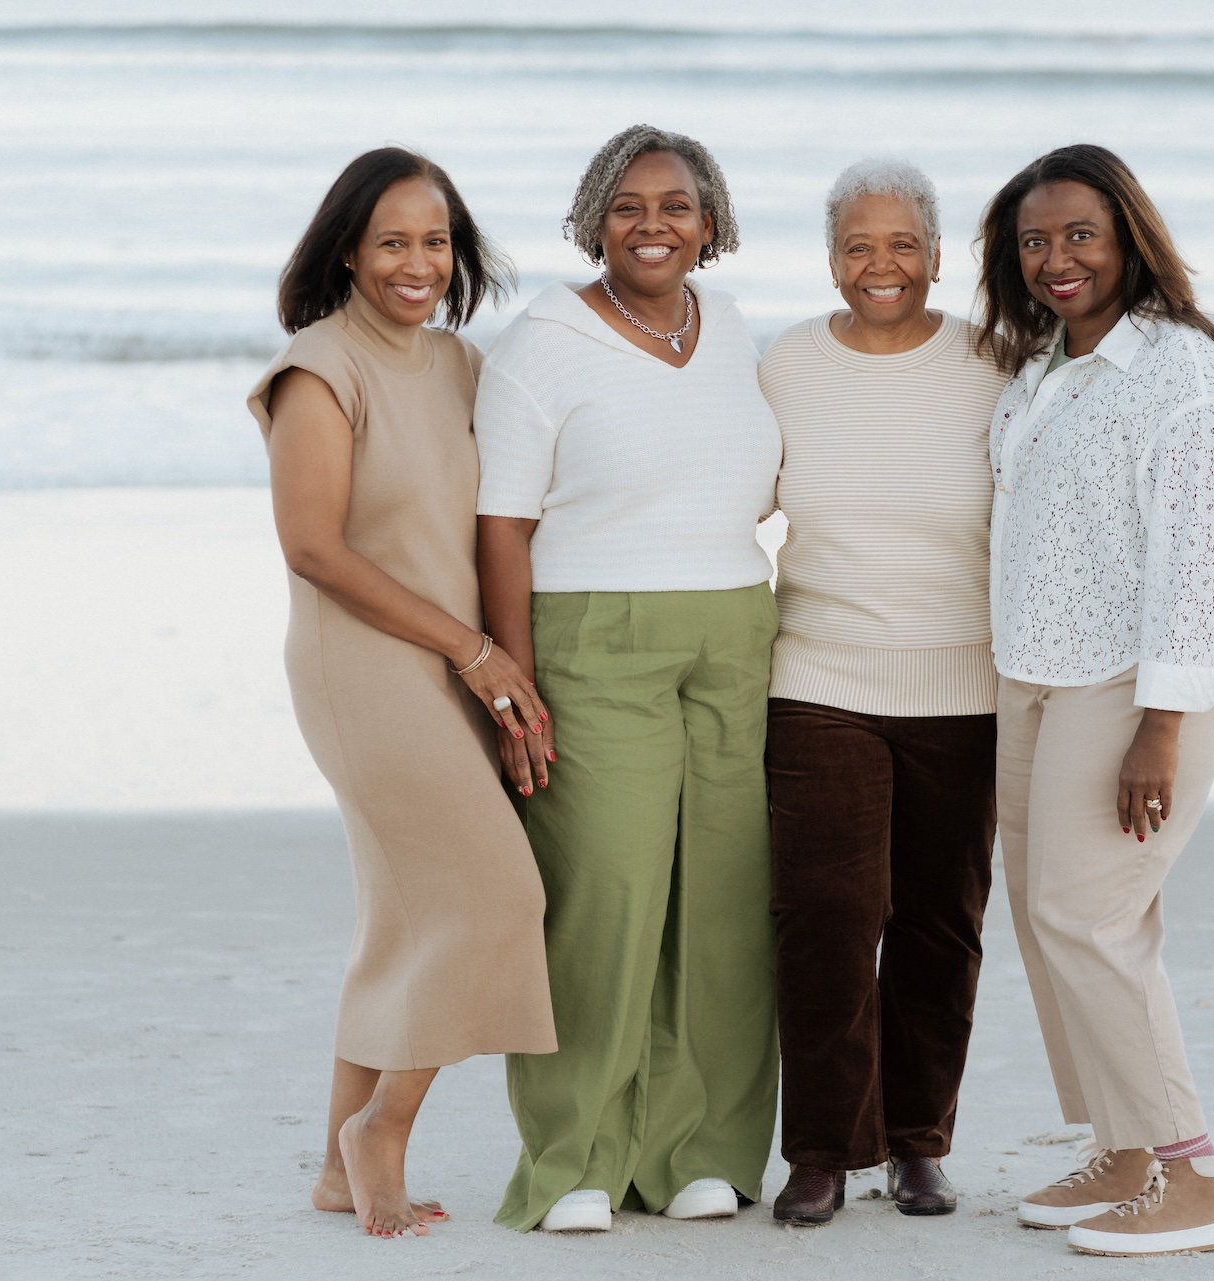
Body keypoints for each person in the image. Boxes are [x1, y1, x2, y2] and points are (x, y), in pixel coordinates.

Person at [474, 125, 783, 1234]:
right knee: (606, 897)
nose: (654, 224)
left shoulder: (732, 325)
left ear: (713, 223)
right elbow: (502, 528)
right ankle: (575, 1160)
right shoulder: (541, 345)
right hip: (590, 633)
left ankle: (700, 1150)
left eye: (678, 205)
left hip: (737, 628)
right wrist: (511, 683)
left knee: (722, 901)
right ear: (593, 216)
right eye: (629, 205)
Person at [245, 147, 556, 1240]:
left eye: (436, 241)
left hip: (453, 660)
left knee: (397, 919)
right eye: (393, 242)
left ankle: (339, 1170)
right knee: (496, 898)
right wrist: (475, 655)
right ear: (347, 250)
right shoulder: (318, 369)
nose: (418, 263)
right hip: (366, 668)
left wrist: (498, 664)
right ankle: (379, 1130)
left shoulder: (462, 366)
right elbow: (313, 548)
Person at [978, 144, 1214, 1257]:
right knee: (1048, 914)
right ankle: (1126, 1145)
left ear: (1128, 240)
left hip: (1143, 681)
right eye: (1035, 241)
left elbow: (1200, 562)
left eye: (1080, 236)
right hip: (1038, 670)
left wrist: (1161, 724)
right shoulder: (1044, 366)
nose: (1057, 259)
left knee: (1087, 914)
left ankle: (1196, 1172)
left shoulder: (1180, 374)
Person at [756, 158, 1008, 1224]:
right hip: (819, 673)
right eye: (859, 245)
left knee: (938, 925)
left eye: (902, 243)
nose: (881, 264)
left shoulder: (995, 362)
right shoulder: (785, 366)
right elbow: (721, 494)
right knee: (825, 916)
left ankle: (915, 1144)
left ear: (939, 256)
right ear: (830, 260)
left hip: (965, 679)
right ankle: (822, 1150)